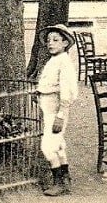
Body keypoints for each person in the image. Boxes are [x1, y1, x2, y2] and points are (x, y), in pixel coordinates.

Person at [35, 23, 78, 197]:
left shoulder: (64, 62)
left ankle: (58, 182)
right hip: (48, 106)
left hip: (56, 109)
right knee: (58, 144)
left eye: (55, 40)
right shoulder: (54, 60)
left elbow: (67, 90)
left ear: (65, 43)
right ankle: (65, 177)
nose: (50, 43)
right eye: (48, 40)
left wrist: (61, 114)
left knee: (47, 147)